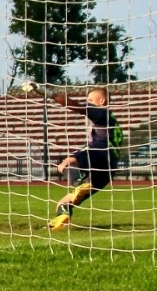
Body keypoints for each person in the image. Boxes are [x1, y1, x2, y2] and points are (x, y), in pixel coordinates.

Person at [48, 86, 116, 232]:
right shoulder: (114, 121)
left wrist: (51, 94)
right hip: (110, 167)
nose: (88, 102)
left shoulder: (101, 112)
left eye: (91, 100)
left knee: (65, 164)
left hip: (100, 150)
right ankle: (63, 215)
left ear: (102, 101)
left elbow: (77, 106)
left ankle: (78, 183)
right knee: (65, 202)